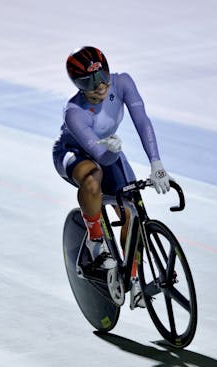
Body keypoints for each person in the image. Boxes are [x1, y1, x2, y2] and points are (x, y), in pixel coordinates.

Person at [53, 46, 171, 308]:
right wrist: (108, 150)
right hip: (74, 153)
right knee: (93, 177)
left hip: (110, 149)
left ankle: (134, 277)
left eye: (102, 76)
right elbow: (99, 156)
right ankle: (96, 242)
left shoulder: (123, 82)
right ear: (77, 85)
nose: (100, 86)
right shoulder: (74, 111)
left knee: (132, 211)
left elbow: (142, 121)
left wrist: (157, 163)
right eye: (89, 82)